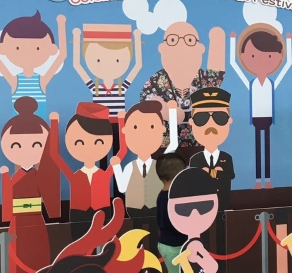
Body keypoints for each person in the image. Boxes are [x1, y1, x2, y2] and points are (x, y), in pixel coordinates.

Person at [139, 22, 226, 159]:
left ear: (200, 49)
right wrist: (164, 110)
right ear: (162, 48)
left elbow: (216, 75)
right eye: (173, 40)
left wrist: (217, 39)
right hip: (163, 150)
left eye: (189, 40)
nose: (181, 46)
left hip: (198, 145)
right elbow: (148, 109)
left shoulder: (204, 80)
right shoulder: (154, 82)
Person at [0, 97, 60, 273]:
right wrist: (5, 178)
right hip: (18, 221)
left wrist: (54, 125)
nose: (26, 151)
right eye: (16, 145)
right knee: (19, 254)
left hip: (36, 219)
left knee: (38, 253)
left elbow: (52, 154)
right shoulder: (11, 177)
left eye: (37, 145)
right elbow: (7, 203)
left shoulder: (39, 175)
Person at [49, 104, 127, 241]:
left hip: (103, 211)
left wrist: (121, 121)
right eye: (79, 142)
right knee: (80, 243)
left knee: (103, 244)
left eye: (99, 142)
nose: (89, 148)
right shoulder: (74, 176)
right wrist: (54, 123)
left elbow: (122, 151)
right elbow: (54, 154)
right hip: (78, 214)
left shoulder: (104, 174)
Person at [230, 25, 292, 189]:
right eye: (253, 56)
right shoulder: (252, 84)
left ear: (279, 57)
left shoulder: (271, 83)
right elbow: (233, 64)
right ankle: (258, 181)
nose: (262, 61)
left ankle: (268, 180)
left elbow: (288, 64)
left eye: (269, 56)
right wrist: (232, 40)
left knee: (267, 150)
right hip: (256, 119)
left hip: (268, 119)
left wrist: (289, 42)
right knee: (258, 151)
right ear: (243, 57)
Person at [73, 24, 142, 157]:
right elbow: (77, 65)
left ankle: (116, 172)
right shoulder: (96, 89)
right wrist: (77, 38)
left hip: (118, 125)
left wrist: (137, 39)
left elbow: (137, 65)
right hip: (101, 125)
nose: (108, 65)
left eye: (117, 60)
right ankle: (103, 171)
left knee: (117, 153)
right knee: (102, 154)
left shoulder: (121, 89)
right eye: (98, 60)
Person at [189, 87, 235, 273]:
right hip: (201, 211)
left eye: (219, 118)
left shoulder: (227, 158)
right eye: (201, 119)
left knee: (223, 243)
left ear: (229, 122)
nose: (210, 125)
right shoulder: (195, 160)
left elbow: (228, 180)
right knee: (204, 245)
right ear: (192, 123)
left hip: (222, 209)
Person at [0, 11, 67, 119]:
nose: (27, 53)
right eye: (17, 48)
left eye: (38, 48)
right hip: (19, 125)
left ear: (52, 49)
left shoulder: (40, 81)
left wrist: (61, 25)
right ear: (3, 48)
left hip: (39, 125)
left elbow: (62, 55)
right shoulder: (16, 81)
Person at [167, 167, 220, 273]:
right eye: (183, 210)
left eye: (204, 207)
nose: (194, 215)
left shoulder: (195, 244)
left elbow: (212, 266)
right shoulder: (193, 243)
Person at [155, 153, 188, 273]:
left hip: (165, 243)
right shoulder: (172, 198)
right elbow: (175, 224)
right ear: (178, 176)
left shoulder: (162, 195)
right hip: (174, 246)